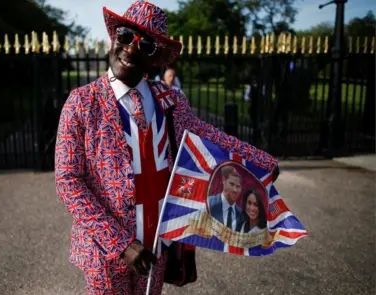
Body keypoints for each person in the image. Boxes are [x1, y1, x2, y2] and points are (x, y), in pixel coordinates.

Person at [54, 1, 280, 294]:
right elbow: (68, 182)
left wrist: (259, 161)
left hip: (158, 243)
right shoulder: (82, 103)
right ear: (113, 38)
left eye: (146, 45)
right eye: (125, 36)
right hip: (104, 252)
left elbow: (206, 135)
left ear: (157, 58)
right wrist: (120, 243)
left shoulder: (169, 100)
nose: (132, 49)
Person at [207, 166, 243, 231]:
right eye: (231, 184)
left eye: (238, 186)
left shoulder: (243, 216)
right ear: (224, 180)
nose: (235, 190)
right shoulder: (208, 203)